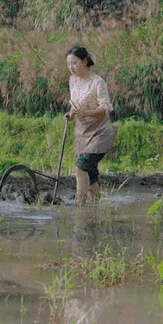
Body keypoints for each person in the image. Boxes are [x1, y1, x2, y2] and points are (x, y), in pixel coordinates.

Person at [66, 45, 117, 204]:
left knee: (81, 168)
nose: (71, 67)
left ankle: (79, 204)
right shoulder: (73, 81)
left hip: (100, 134)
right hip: (83, 134)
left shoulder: (97, 82)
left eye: (74, 63)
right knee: (91, 173)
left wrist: (86, 113)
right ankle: (95, 207)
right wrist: (71, 114)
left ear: (85, 61)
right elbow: (75, 105)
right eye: (69, 64)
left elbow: (105, 108)